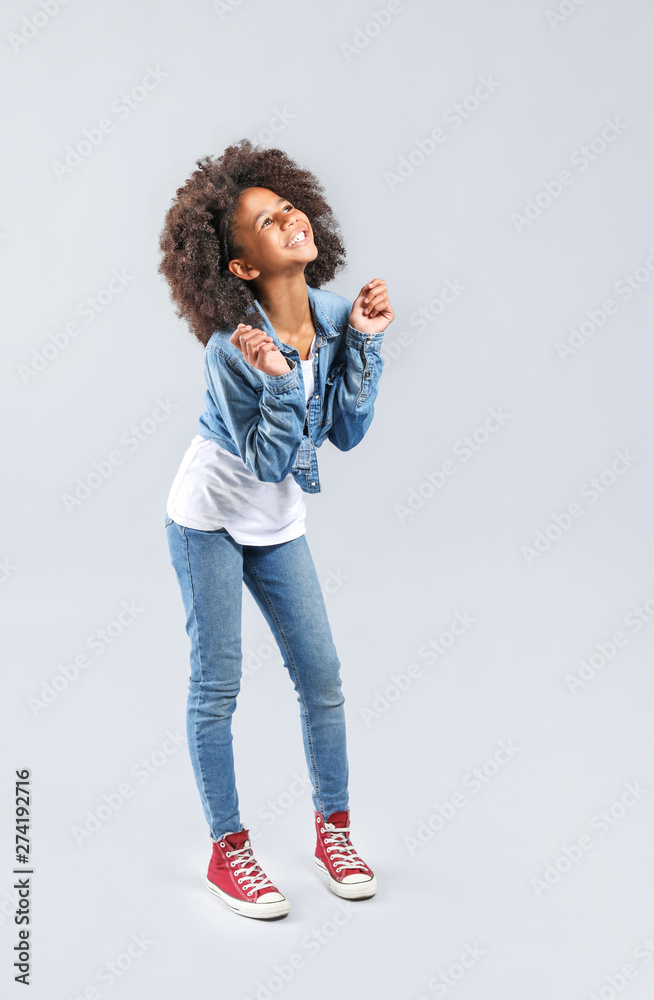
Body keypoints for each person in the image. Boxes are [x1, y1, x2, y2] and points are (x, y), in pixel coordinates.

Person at [158, 139, 394, 920]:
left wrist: (365, 341)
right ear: (240, 266)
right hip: (209, 520)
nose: (291, 218)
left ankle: (335, 834)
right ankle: (228, 852)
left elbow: (347, 435)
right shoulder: (231, 349)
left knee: (322, 678)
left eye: (290, 207)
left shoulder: (333, 315)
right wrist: (282, 380)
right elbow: (267, 461)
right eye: (267, 221)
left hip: (277, 522)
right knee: (217, 686)